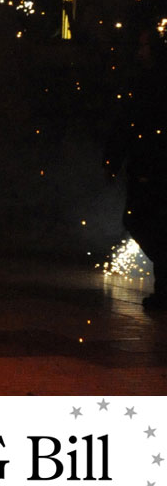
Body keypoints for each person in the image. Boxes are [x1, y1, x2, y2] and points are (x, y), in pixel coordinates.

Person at [104, 24, 167, 312]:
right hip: (148, 163)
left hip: (152, 165)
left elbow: (129, 123)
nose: (139, 52)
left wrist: (114, 159)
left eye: (144, 46)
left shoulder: (150, 84)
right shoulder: (146, 81)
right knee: (148, 223)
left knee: (144, 221)